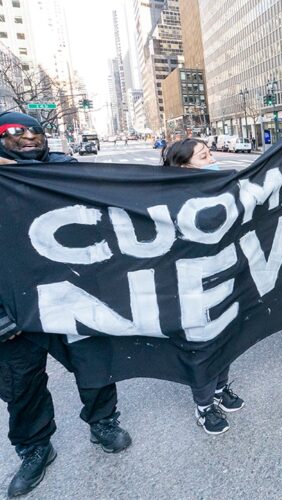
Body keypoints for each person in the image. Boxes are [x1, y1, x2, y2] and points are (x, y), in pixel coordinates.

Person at [0, 112, 132, 497]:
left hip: (72, 297)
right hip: (13, 308)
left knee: (95, 366)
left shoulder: (66, 173)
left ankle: (103, 422)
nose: (27, 136)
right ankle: (35, 446)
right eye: (13, 131)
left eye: (34, 130)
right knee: (21, 384)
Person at [161, 138, 245, 434]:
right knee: (203, 347)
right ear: (184, 166)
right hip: (192, 288)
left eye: (210, 154)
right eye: (204, 156)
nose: (212, 160)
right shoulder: (168, 197)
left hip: (224, 277)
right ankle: (204, 405)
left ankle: (221, 389)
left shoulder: (222, 187)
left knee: (226, 340)